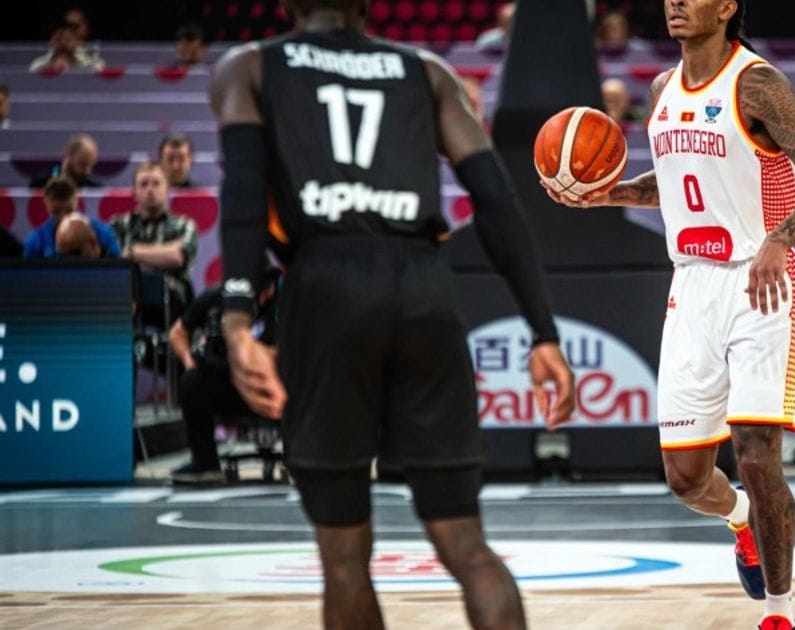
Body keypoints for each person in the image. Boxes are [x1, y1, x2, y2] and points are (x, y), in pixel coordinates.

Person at [209, 0, 576, 628]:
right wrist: (543, 331)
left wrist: (237, 318)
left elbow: (242, 196)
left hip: (325, 285)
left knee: (344, 559)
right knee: (467, 543)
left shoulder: (249, 67)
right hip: (421, 285)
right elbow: (496, 202)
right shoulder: (428, 71)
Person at [545, 1, 795, 628]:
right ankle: (741, 520)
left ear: (728, 7)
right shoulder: (662, 88)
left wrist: (781, 240)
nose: (677, 2)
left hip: (758, 280)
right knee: (687, 479)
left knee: (756, 451)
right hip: (691, 286)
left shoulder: (756, 84)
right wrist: (610, 194)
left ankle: (779, 612)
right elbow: (677, 180)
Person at [167, 267, 281, 484]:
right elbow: (177, 333)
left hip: (273, 385)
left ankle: (300, 459)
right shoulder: (219, 296)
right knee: (193, 382)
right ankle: (205, 464)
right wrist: (190, 362)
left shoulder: (288, 302)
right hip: (229, 382)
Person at [109, 161, 199, 323]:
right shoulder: (118, 225)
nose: (150, 190)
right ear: (134, 191)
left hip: (173, 304)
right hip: (127, 299)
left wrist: (132, 252)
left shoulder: (184, 225)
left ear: (167, 189)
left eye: (156, 183)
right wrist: (162, 253)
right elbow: (111, 262)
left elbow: (177, 257)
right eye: (144, 184)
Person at [23, 177, 120, 259]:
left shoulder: (103, 233)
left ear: (76, 201)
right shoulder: (34, 241)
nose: (63, 217)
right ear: (46, 204)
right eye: (56, 212)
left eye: (69, 211)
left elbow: (115, 264)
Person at [28, 133, 103, 189]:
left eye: (91, 165)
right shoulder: (42, 182)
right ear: (68, 154)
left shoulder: (95, 189)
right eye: (82, 164)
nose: (87, 171)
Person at [29, 25, 104, 73]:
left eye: (68, 39)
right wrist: (52, 70)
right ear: (51, 42)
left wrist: (72, 70)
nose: (63, 43)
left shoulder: (93, 61)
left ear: (77, 42)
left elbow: (99, 78)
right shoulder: (38, 63)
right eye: (58, 39)